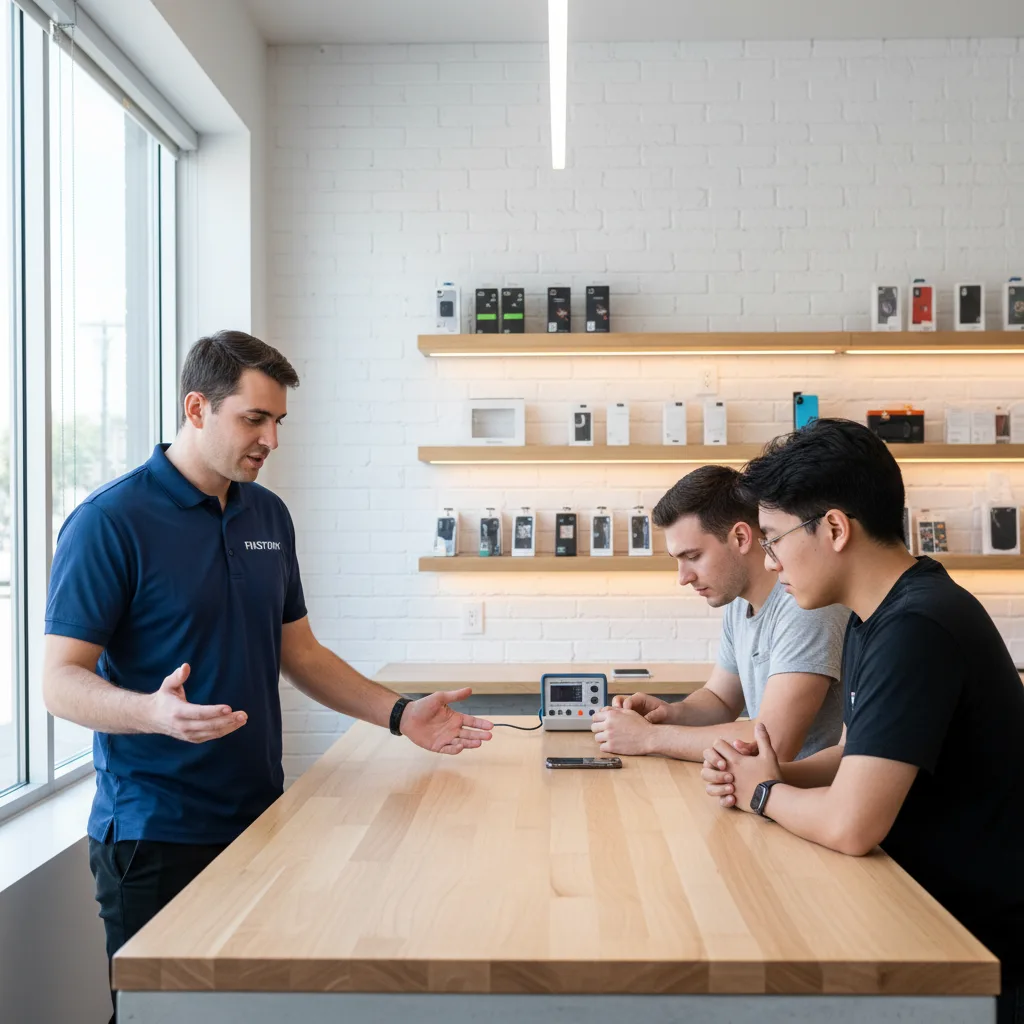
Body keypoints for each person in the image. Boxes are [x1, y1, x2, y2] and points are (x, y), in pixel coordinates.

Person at [42, 331, 493, 1022]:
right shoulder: (110, 522)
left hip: (261, 818)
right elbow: (59, 680)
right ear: (197, 408)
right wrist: (151, 713)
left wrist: (401, 715)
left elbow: (302, 653)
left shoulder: (267, 515)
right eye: (254, 418)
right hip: (155, 833)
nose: (270, 440)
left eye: (278, 421)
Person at [699, 419, 1024, 1023]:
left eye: (773, 539)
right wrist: (777, 773)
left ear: (834, 528)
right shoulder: (872, 617)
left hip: (972, 945)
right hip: (919, 906)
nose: (768, 559)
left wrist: (764, 793)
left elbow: (852, 826)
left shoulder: (917, 627)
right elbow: (855, 754)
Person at [591, 465, 848, 762]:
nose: (683, 577)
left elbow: (773, 742)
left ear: (740, 537)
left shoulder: (805, 606)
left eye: (693, 557)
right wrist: (670, 713)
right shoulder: (740, 602)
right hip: (758, 790)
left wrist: (648, 738)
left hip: (805, 797)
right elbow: (720, 699)